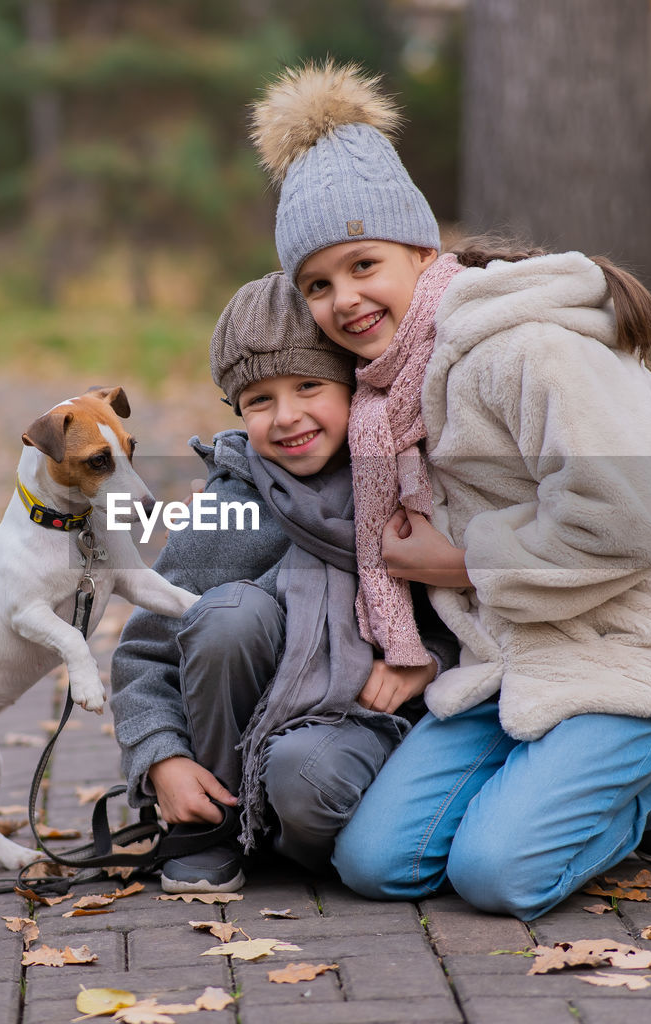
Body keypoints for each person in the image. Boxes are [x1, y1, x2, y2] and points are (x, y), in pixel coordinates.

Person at [248, 61, 651, 920]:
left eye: (364, 263)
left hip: (632, 655)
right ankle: (551, 780)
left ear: (420, 248)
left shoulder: (530, 351)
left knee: (496, 874)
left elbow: (627, 522)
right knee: (375, 863)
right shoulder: (386, 396)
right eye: (317, 285)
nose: (345, 299)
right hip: (510, 668)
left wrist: (463, 562)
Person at [109, 271, 457, 894]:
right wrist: (162, 758)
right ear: (238, 412)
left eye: (308, 386)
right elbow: (145, 652)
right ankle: (212, 826)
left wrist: (426, 659)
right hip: (234, 738)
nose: (287, 416)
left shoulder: (406, 484)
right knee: (229, 615)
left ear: (355, 385)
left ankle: (291, 833)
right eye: (259, 400)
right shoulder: (233, 501)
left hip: (353, 725)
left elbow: (465, 618)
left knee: (301, 776)